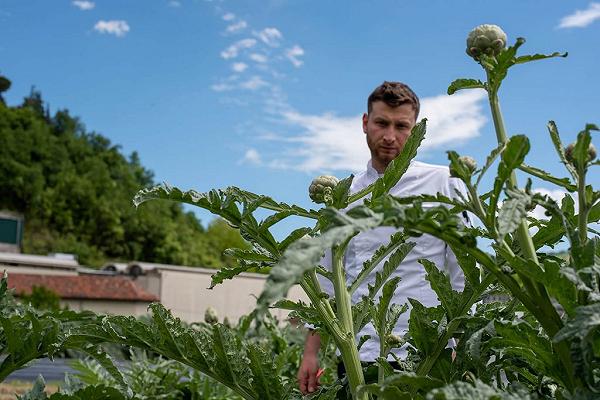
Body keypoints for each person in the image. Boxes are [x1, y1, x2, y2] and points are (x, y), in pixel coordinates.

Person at [297, 81, 467, 395]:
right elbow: (327, 281)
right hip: (359, 357)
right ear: (365, 123)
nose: (390, 136)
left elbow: (464, 272)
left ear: (415, 129)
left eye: (401, 126)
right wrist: (311, 350)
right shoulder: (345, 195)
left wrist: (463, 344)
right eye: (381, 123)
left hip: (430, 353)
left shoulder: (445, 183)